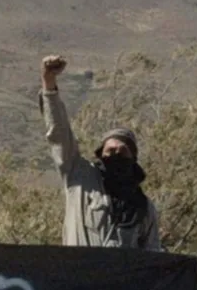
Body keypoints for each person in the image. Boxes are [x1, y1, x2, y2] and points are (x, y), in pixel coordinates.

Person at [37, 54, 161, 250]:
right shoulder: (80, 177)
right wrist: (48, 82)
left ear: (133, 158)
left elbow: (151, 257)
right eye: (110, 150)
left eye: (122, 151)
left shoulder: (143, 207)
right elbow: (59, 134)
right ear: (100, 153)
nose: (116, 155)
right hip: (79, 277)